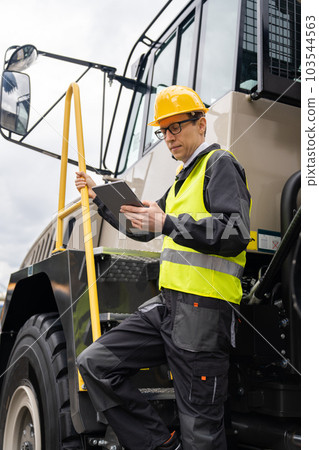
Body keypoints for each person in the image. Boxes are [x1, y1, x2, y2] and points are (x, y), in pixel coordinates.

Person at [76, 85, 251, 450]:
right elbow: (142, 225)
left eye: (176, 127)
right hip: (169, 308)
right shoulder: (181, 179)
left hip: (204, 313)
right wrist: (99, 196)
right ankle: (160, 446)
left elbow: (236, 232)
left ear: (201, 124)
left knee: (200, 432)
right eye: (163, 130)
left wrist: (168, 223)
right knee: (96, 363)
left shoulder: (220, 165)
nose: (168, 138)